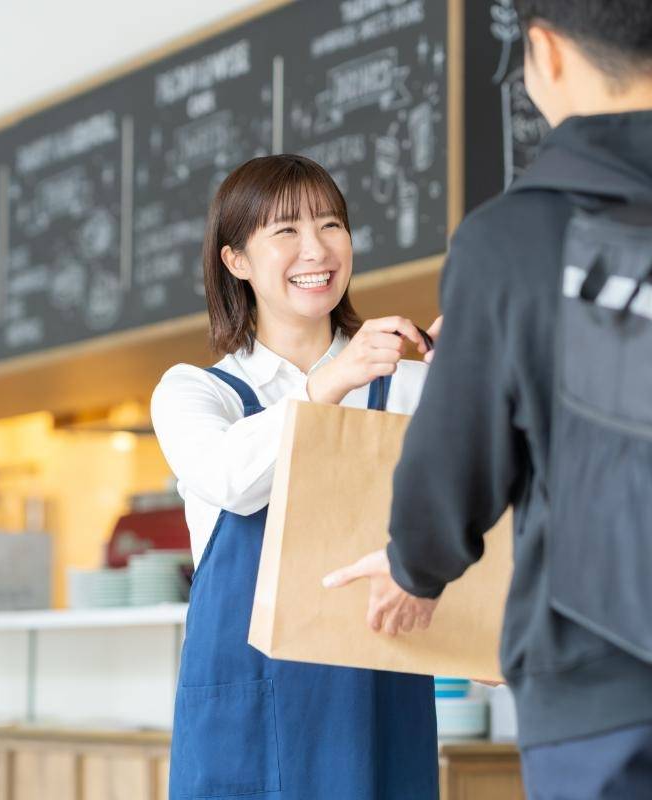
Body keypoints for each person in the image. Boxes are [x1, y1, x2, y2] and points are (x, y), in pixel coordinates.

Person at [322, 3, 652, 798]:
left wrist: (412, 568)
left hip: (599, 681)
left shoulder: (512, 240)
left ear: (543, 52)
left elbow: (459, 457)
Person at [152, 154, 438, 800]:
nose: (316, 248)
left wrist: (476, 383)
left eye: (331, 224)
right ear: (236, 260)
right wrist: (330, 383)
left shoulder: (413, 387)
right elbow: (233, 480)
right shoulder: (194, 393)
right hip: (245, 706)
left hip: (377, 698)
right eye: (285, 230)